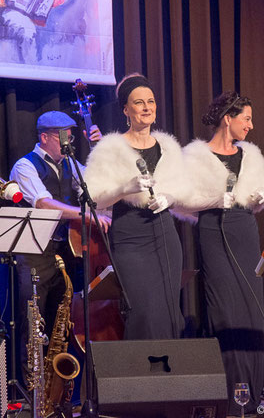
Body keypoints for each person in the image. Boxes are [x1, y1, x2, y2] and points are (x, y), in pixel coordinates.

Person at [182, 91, 264, 416]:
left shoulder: (250, 154)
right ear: (228, 118)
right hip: (212, 231)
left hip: (245, 231)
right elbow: (181, 201)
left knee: (251, 311)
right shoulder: (195, 155)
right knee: (224, 311)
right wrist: (214, 201)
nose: (251, 125)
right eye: (246, 118)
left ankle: (250, 397)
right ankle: (227, 398)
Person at [9, 110, 110, 381]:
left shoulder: (72, 164)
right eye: (63, 136)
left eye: (71, 136)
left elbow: (101, 188)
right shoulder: (25, 165)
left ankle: (59, 394)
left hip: (64, 253)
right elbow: (42, 203)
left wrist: (98, 150)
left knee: (61, 323)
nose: (69, 142)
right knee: (34, 324)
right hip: (34, 253)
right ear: (44, 137)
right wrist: (84, 215)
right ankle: (32, 393)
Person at [83, 73, 186, 340]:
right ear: (126, 109)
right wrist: (124, 189)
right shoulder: (110, 149)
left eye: (150, 101)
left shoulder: (169, 147)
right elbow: (93, 200)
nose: (146, 107)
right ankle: (144, 378)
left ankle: (168, 377)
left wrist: (170, 198)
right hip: (130, 238)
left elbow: (183, 188)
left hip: (166, 235)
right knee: (143, 311)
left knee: (168, 310)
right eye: (139, 102)